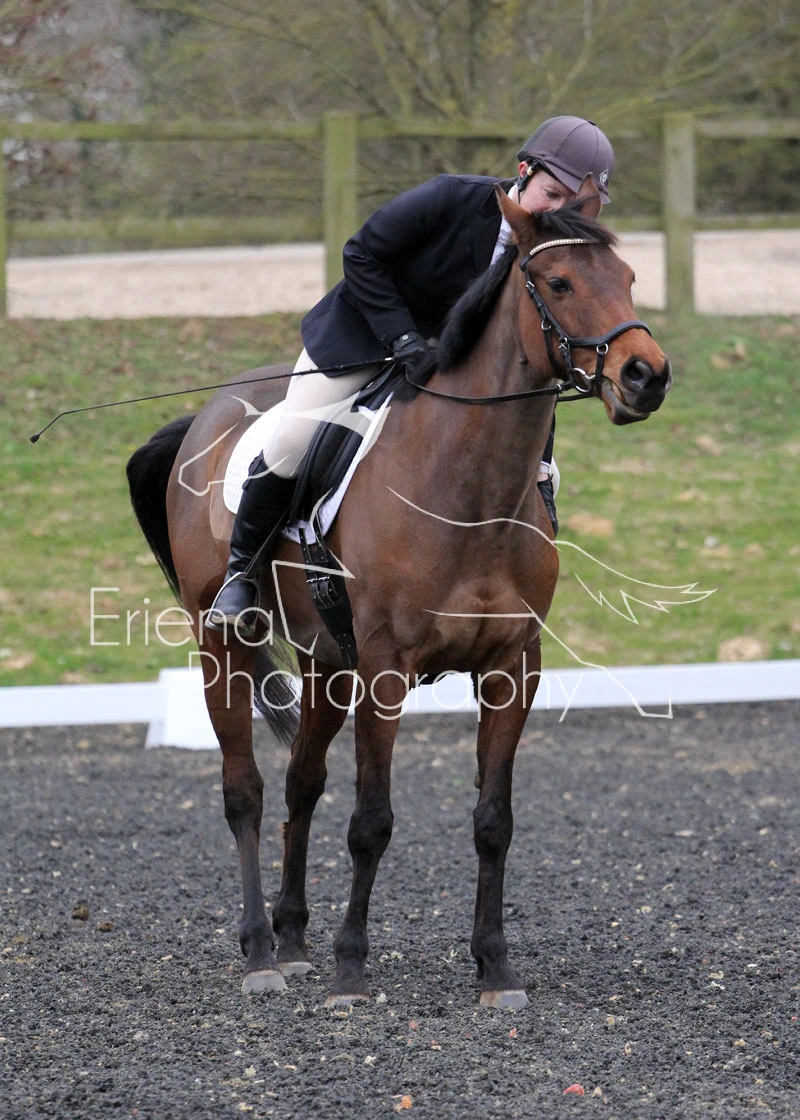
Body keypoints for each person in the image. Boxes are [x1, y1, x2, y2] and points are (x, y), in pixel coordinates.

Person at [207, 116, 615, 632]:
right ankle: (241, 576)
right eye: (551, 195)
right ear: (523, 172)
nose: (557, 213)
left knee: (540, 470)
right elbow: (361, 254)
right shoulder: (450, 198)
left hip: (460, 370)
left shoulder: (559, 256)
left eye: (573, 205)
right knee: (293, 439)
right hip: (364, 338)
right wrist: (402, 338)